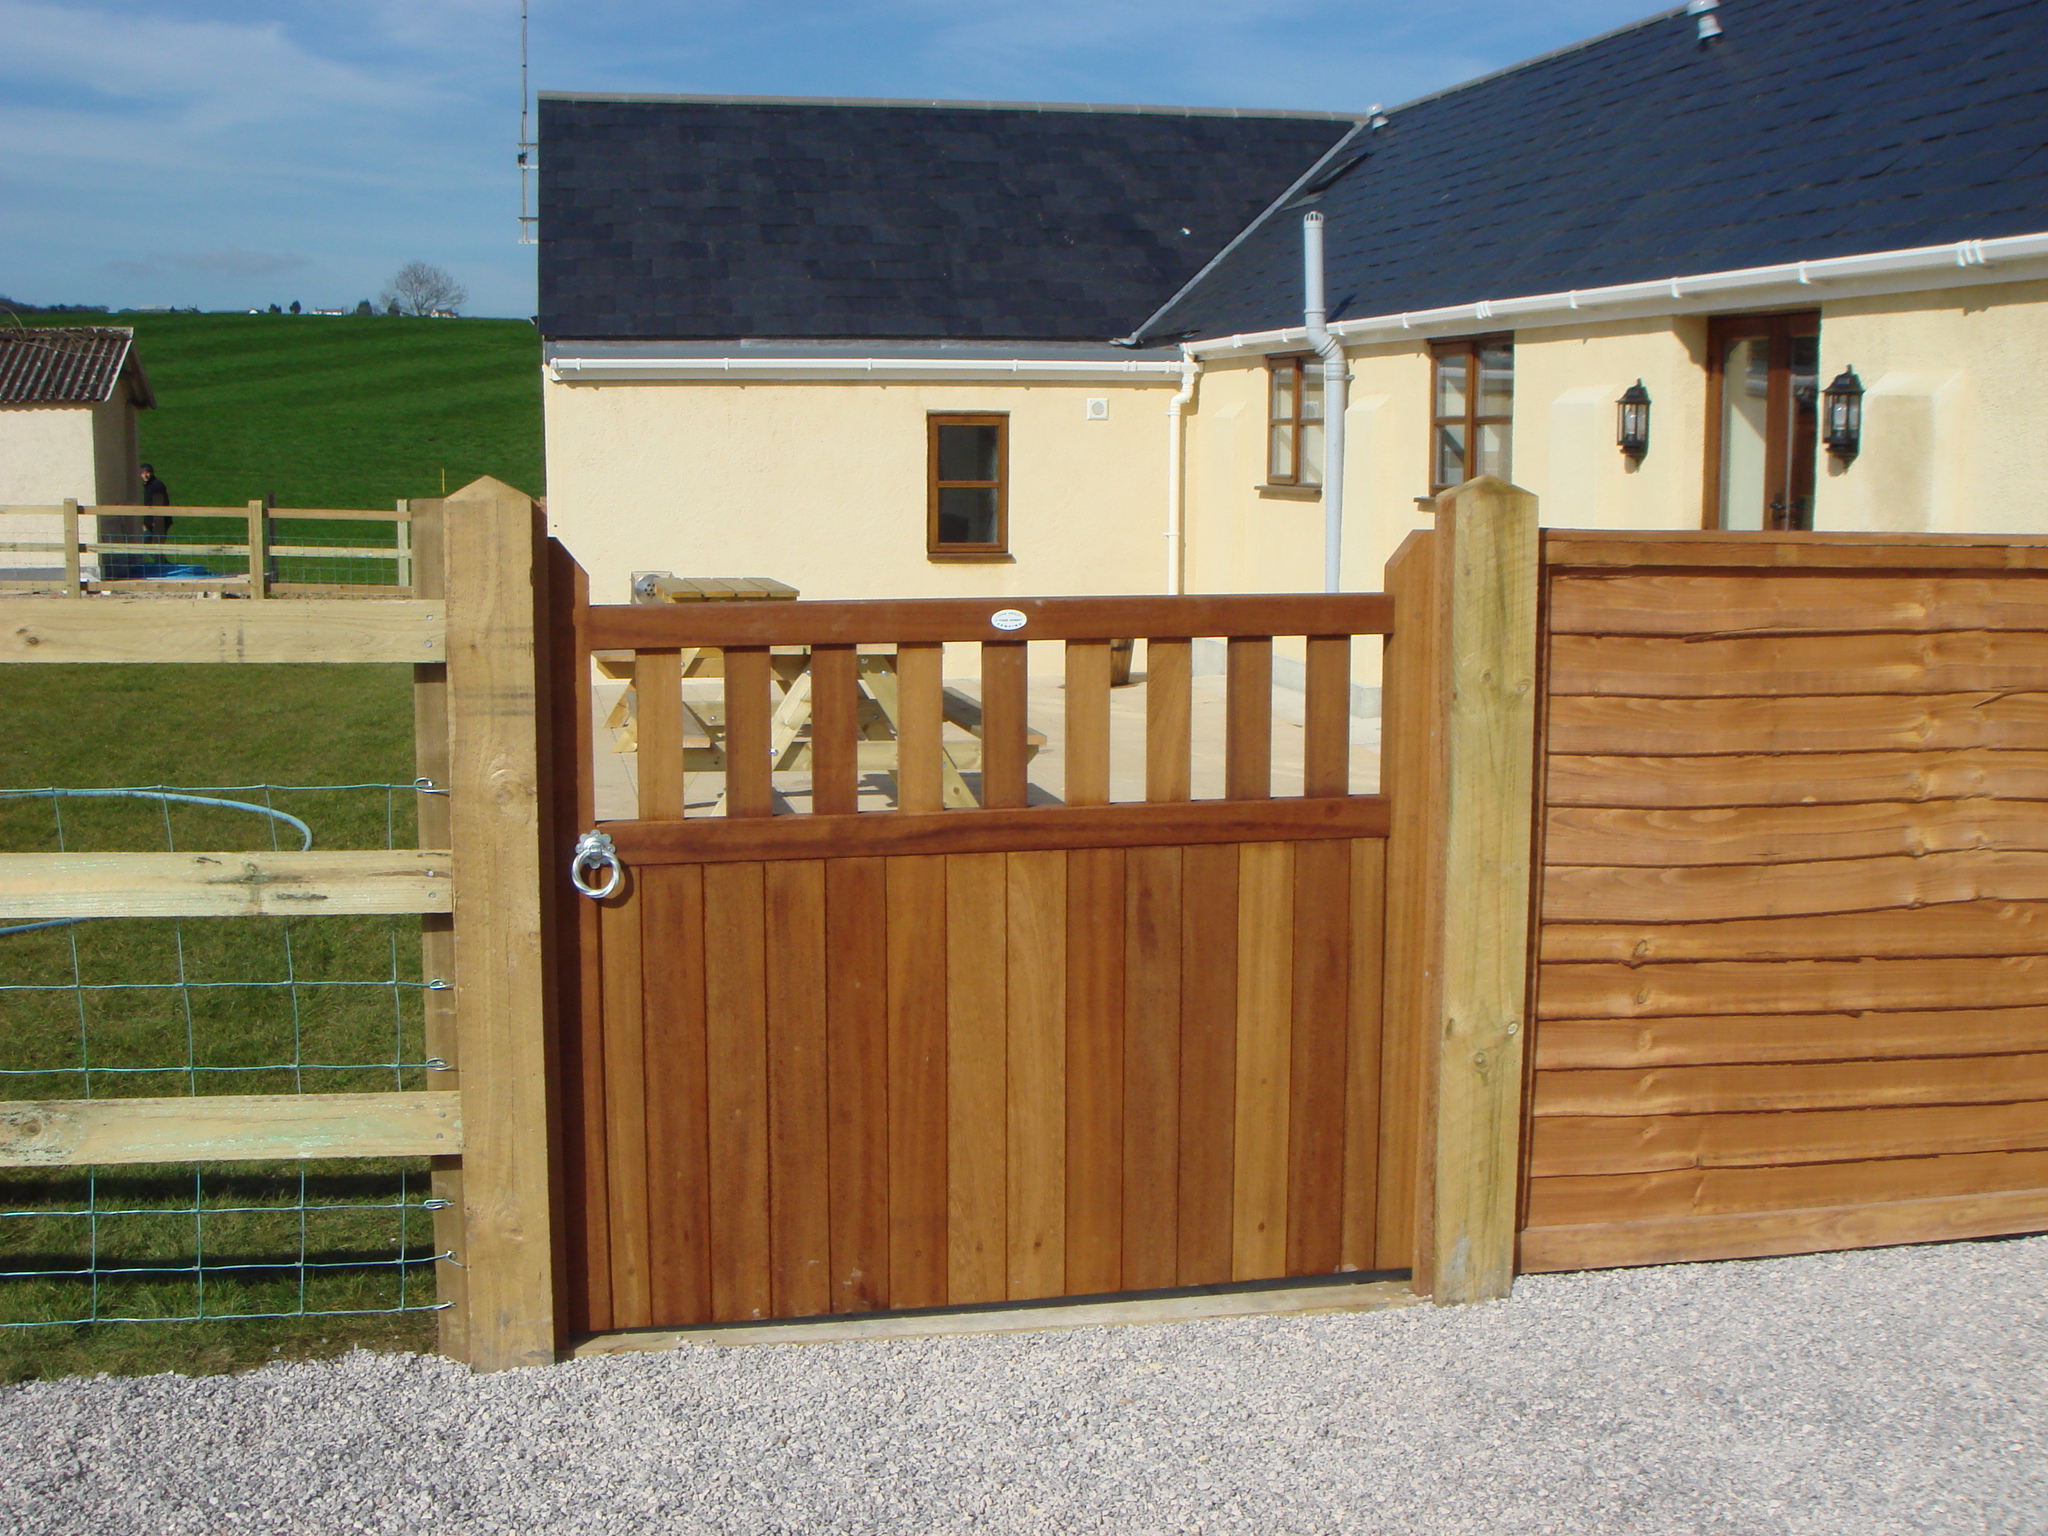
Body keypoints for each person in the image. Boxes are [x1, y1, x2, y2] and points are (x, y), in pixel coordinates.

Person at [100, 464, 171, 581]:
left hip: (159, 520)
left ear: (152, 473)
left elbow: (160, 503)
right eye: (143, 473)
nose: (145, 475)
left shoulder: (156, 485)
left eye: (147, 472)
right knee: (153, 544)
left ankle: (164, 567)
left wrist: (155, 520)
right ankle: (163, 565)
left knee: (150, 544)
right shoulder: (149, 485)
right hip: (154, 520)